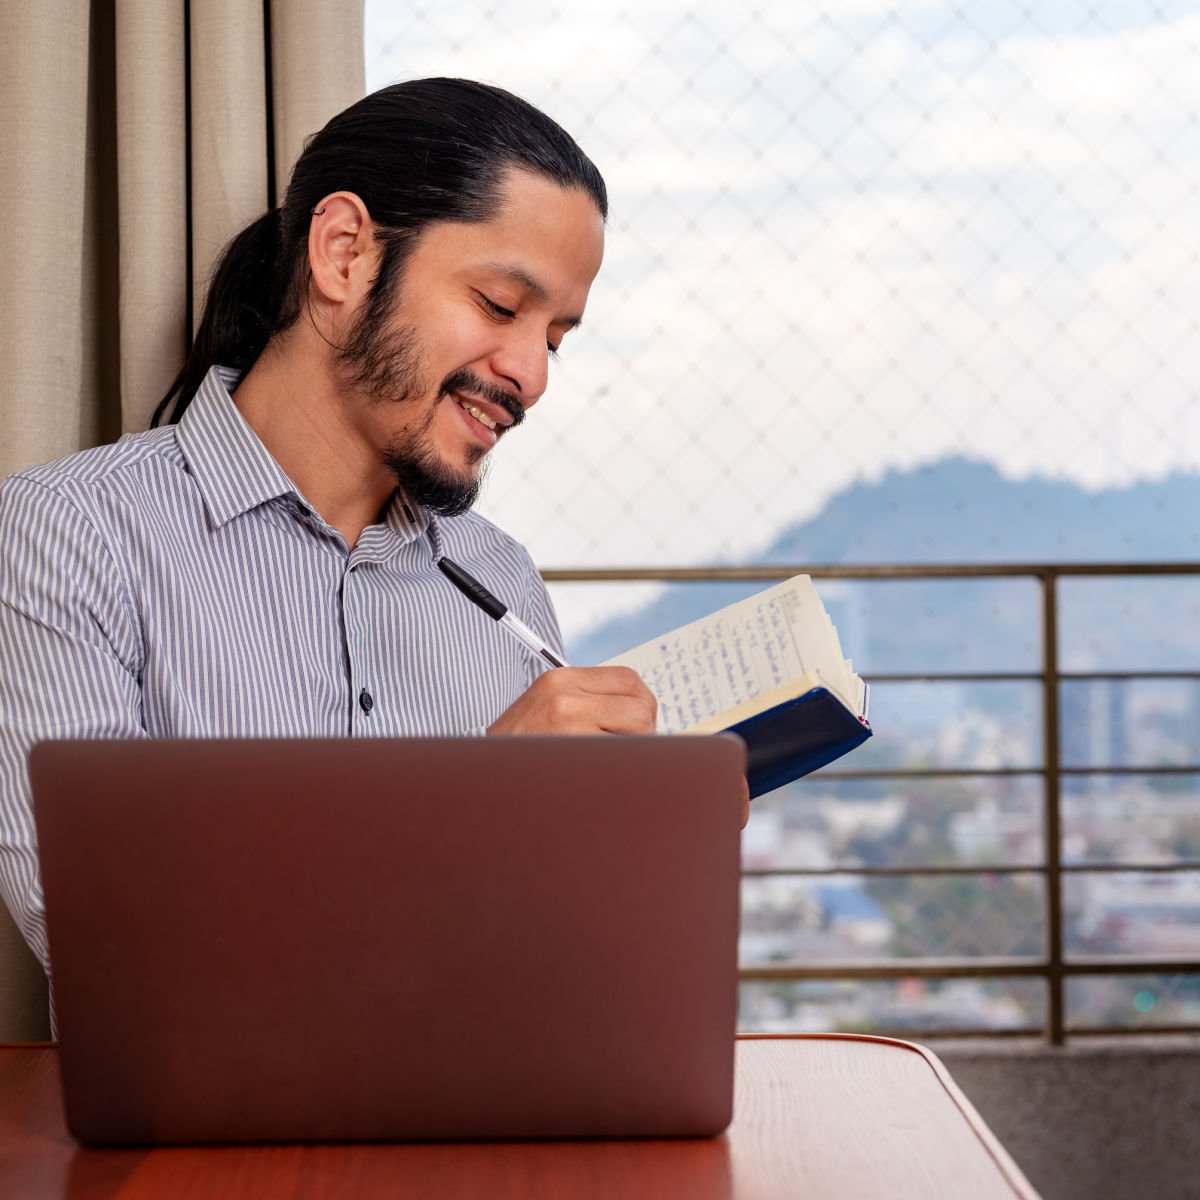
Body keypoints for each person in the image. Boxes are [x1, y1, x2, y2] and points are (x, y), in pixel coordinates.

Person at [2, 78, 757, 981]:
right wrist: (475, 805)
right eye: (499, 306)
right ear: (345, 253)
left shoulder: (498, 580)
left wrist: (644, 856)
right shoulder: (67, 536)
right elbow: (116, 948)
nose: (530, 376)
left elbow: (547, 956)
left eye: (554, 338)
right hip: (227, 1126)